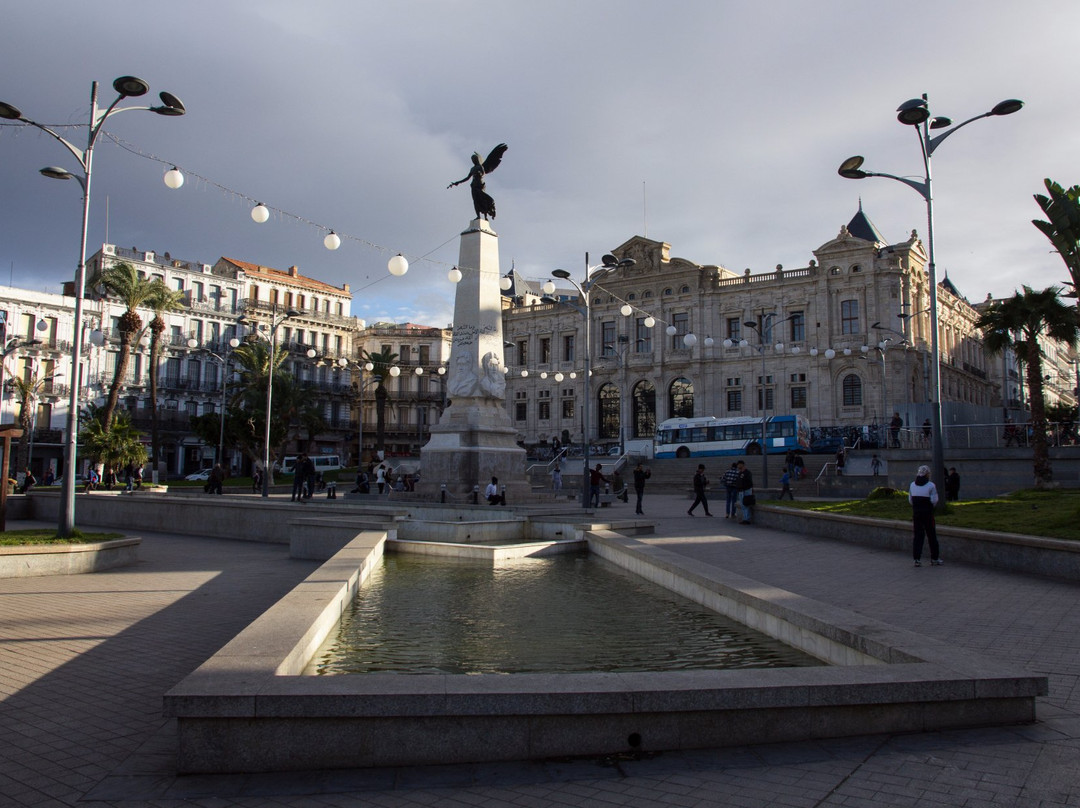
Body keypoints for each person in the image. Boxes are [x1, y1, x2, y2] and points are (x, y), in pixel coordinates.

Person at [909, 464, 942, 567]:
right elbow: (934, 500)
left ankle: (917, 559)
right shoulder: (931, 485)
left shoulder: (912, 485)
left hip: (916, 513)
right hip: (927, 513)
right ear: (927, 474)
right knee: (931, 535)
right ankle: (934, 558)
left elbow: (910, 500)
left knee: (918, 536)